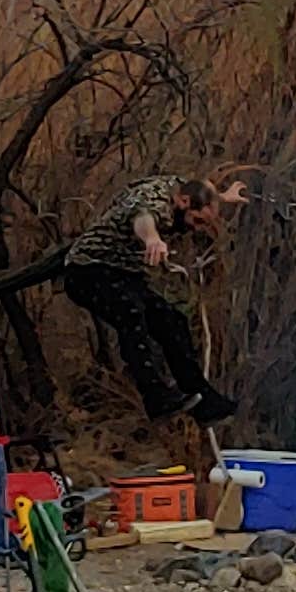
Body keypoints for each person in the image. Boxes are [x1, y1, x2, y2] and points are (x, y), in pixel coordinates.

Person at [61, 166, 253, 426]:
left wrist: (222, 197)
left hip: (123, 273)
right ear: (182, 203)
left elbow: (199, 186)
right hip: (87, 271)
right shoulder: (153, 200)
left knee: (171, 320)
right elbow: (144, 218)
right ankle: (155, 396)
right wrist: (152, 239)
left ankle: (204, 400)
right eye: (197, 221)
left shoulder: (184, 188)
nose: (196, 229)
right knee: (130, 312)